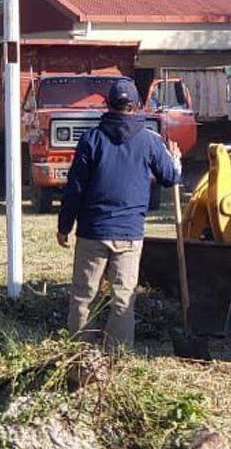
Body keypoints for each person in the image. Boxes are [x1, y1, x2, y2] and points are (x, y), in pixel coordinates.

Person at [57, 78, 181, 349]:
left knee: (82, 296)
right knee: (123, 299)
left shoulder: (91, 139)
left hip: (93, 232)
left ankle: (79, 355)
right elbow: (170, 178)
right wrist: (176, 160)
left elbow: (75, 189)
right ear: (135, 106)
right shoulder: (149, 141)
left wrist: (64, 226)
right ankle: (118, 357)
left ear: (107, 105)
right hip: (129, 234)